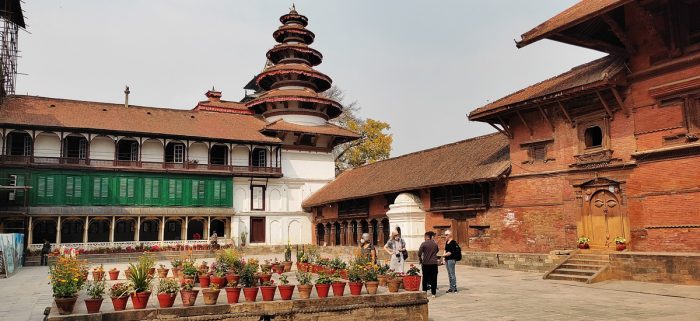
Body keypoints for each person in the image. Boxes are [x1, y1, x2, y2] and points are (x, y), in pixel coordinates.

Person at [418, 231, 439, 298]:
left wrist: (421, 258)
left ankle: (425, 292)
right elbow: (437, 250)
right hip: (434, 263)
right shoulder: (435, 244)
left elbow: (419, 253)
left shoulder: (423, 244)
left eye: (424, 236)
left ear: (426, 237)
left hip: (426, 263)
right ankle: (433, 293)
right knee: (434, 278)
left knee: (425, 278)